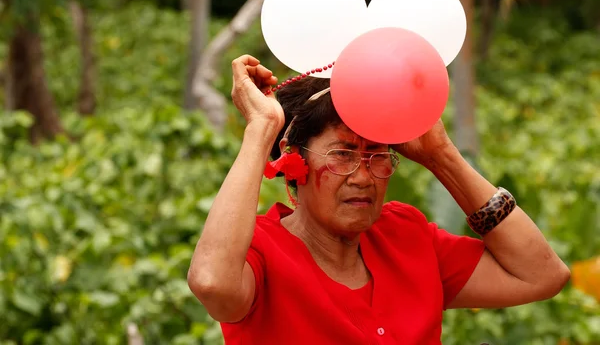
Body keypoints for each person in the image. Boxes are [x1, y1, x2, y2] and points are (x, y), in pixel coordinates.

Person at [187, 55, 570, 344]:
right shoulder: (260, 253)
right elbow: (211, 282)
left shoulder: (405, 236)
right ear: (293, 156)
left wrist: (442, 156)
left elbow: (542, 275)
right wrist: (260, 130)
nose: (364, 176)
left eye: (378, 155)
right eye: (343, 154)